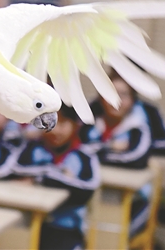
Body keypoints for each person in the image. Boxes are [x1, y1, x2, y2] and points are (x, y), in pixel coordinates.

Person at [14, 103, 101, 250]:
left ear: (75, 125)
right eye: (50, 123)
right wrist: (60, 176)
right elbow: (16, 172)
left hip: (66, 228)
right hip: (28, 224)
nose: (55, 130)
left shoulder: (84, 157)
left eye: (63, 123)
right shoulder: (31, 148)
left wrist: (39, 179)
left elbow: (84, 191)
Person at [80, 74, 153, 237]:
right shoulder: (89, 121)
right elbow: (78, 151)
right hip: (92, 195)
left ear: (133, 100)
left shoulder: (138, 126)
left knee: (110, 238)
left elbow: (137, 159)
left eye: (124, 94)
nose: (116, 100)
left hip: (133, 199)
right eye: (111, 92)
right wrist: (110, 148)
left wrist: (97, 151)